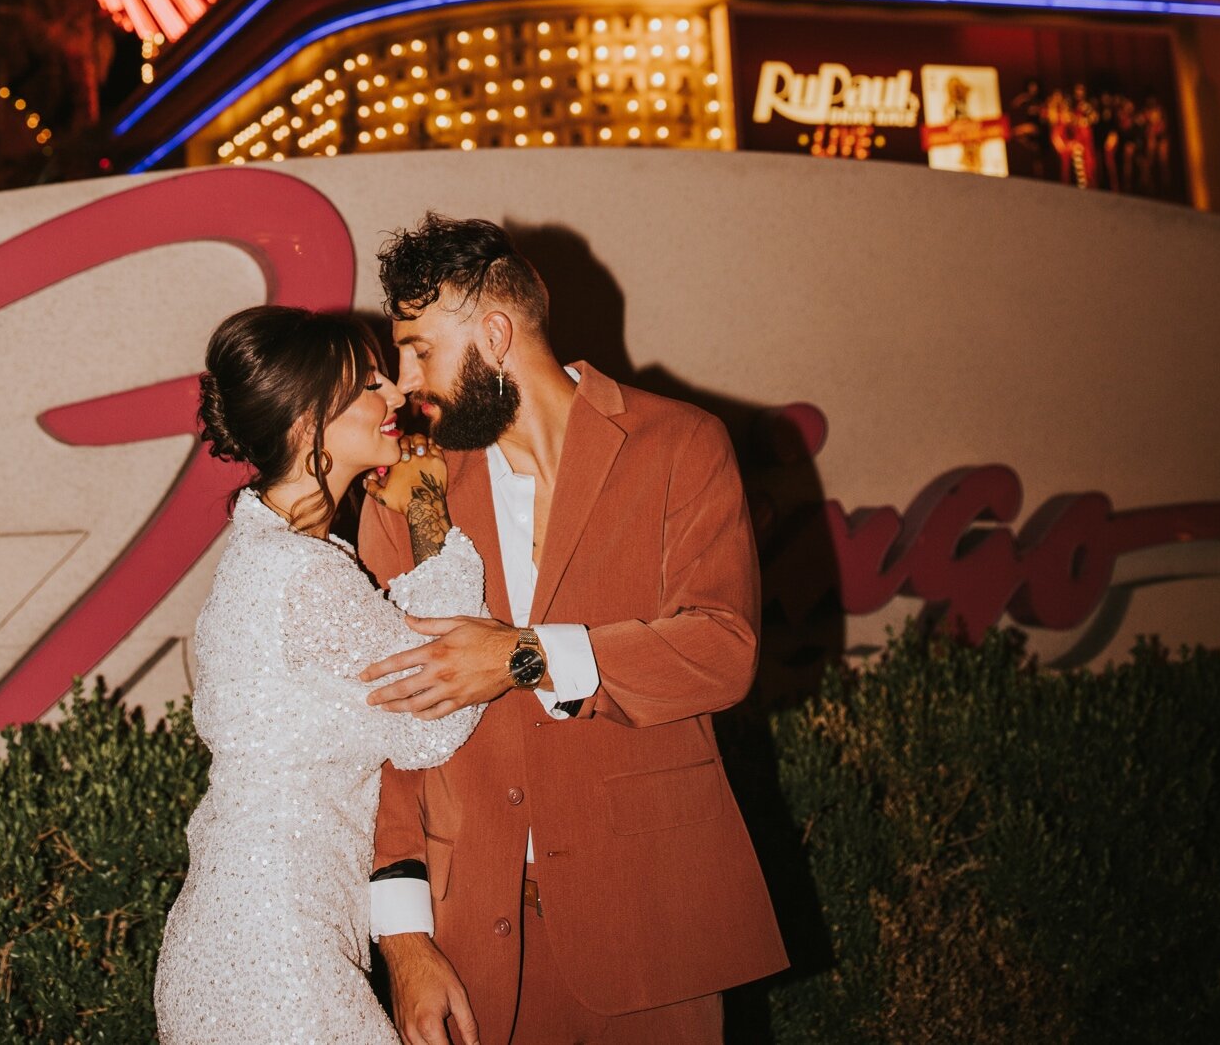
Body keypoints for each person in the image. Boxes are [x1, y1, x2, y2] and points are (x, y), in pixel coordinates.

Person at [358, 213, 787, 1045]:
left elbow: (721, 648)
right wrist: (405, 943)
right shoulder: (412, 491)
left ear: (494, 332)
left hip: (654, 928)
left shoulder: (682, 445)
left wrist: (520, 656)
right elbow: (384, 728)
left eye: (419, 349)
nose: (403, 381)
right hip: (473, 953)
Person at [155, 304, 485, 1045]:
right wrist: (430, 507)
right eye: (370, 383)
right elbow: (437, 716)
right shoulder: (299, 576)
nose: (395, 395)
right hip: (276, 953)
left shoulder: (266, 561)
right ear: (310, 424)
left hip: (242, 934)